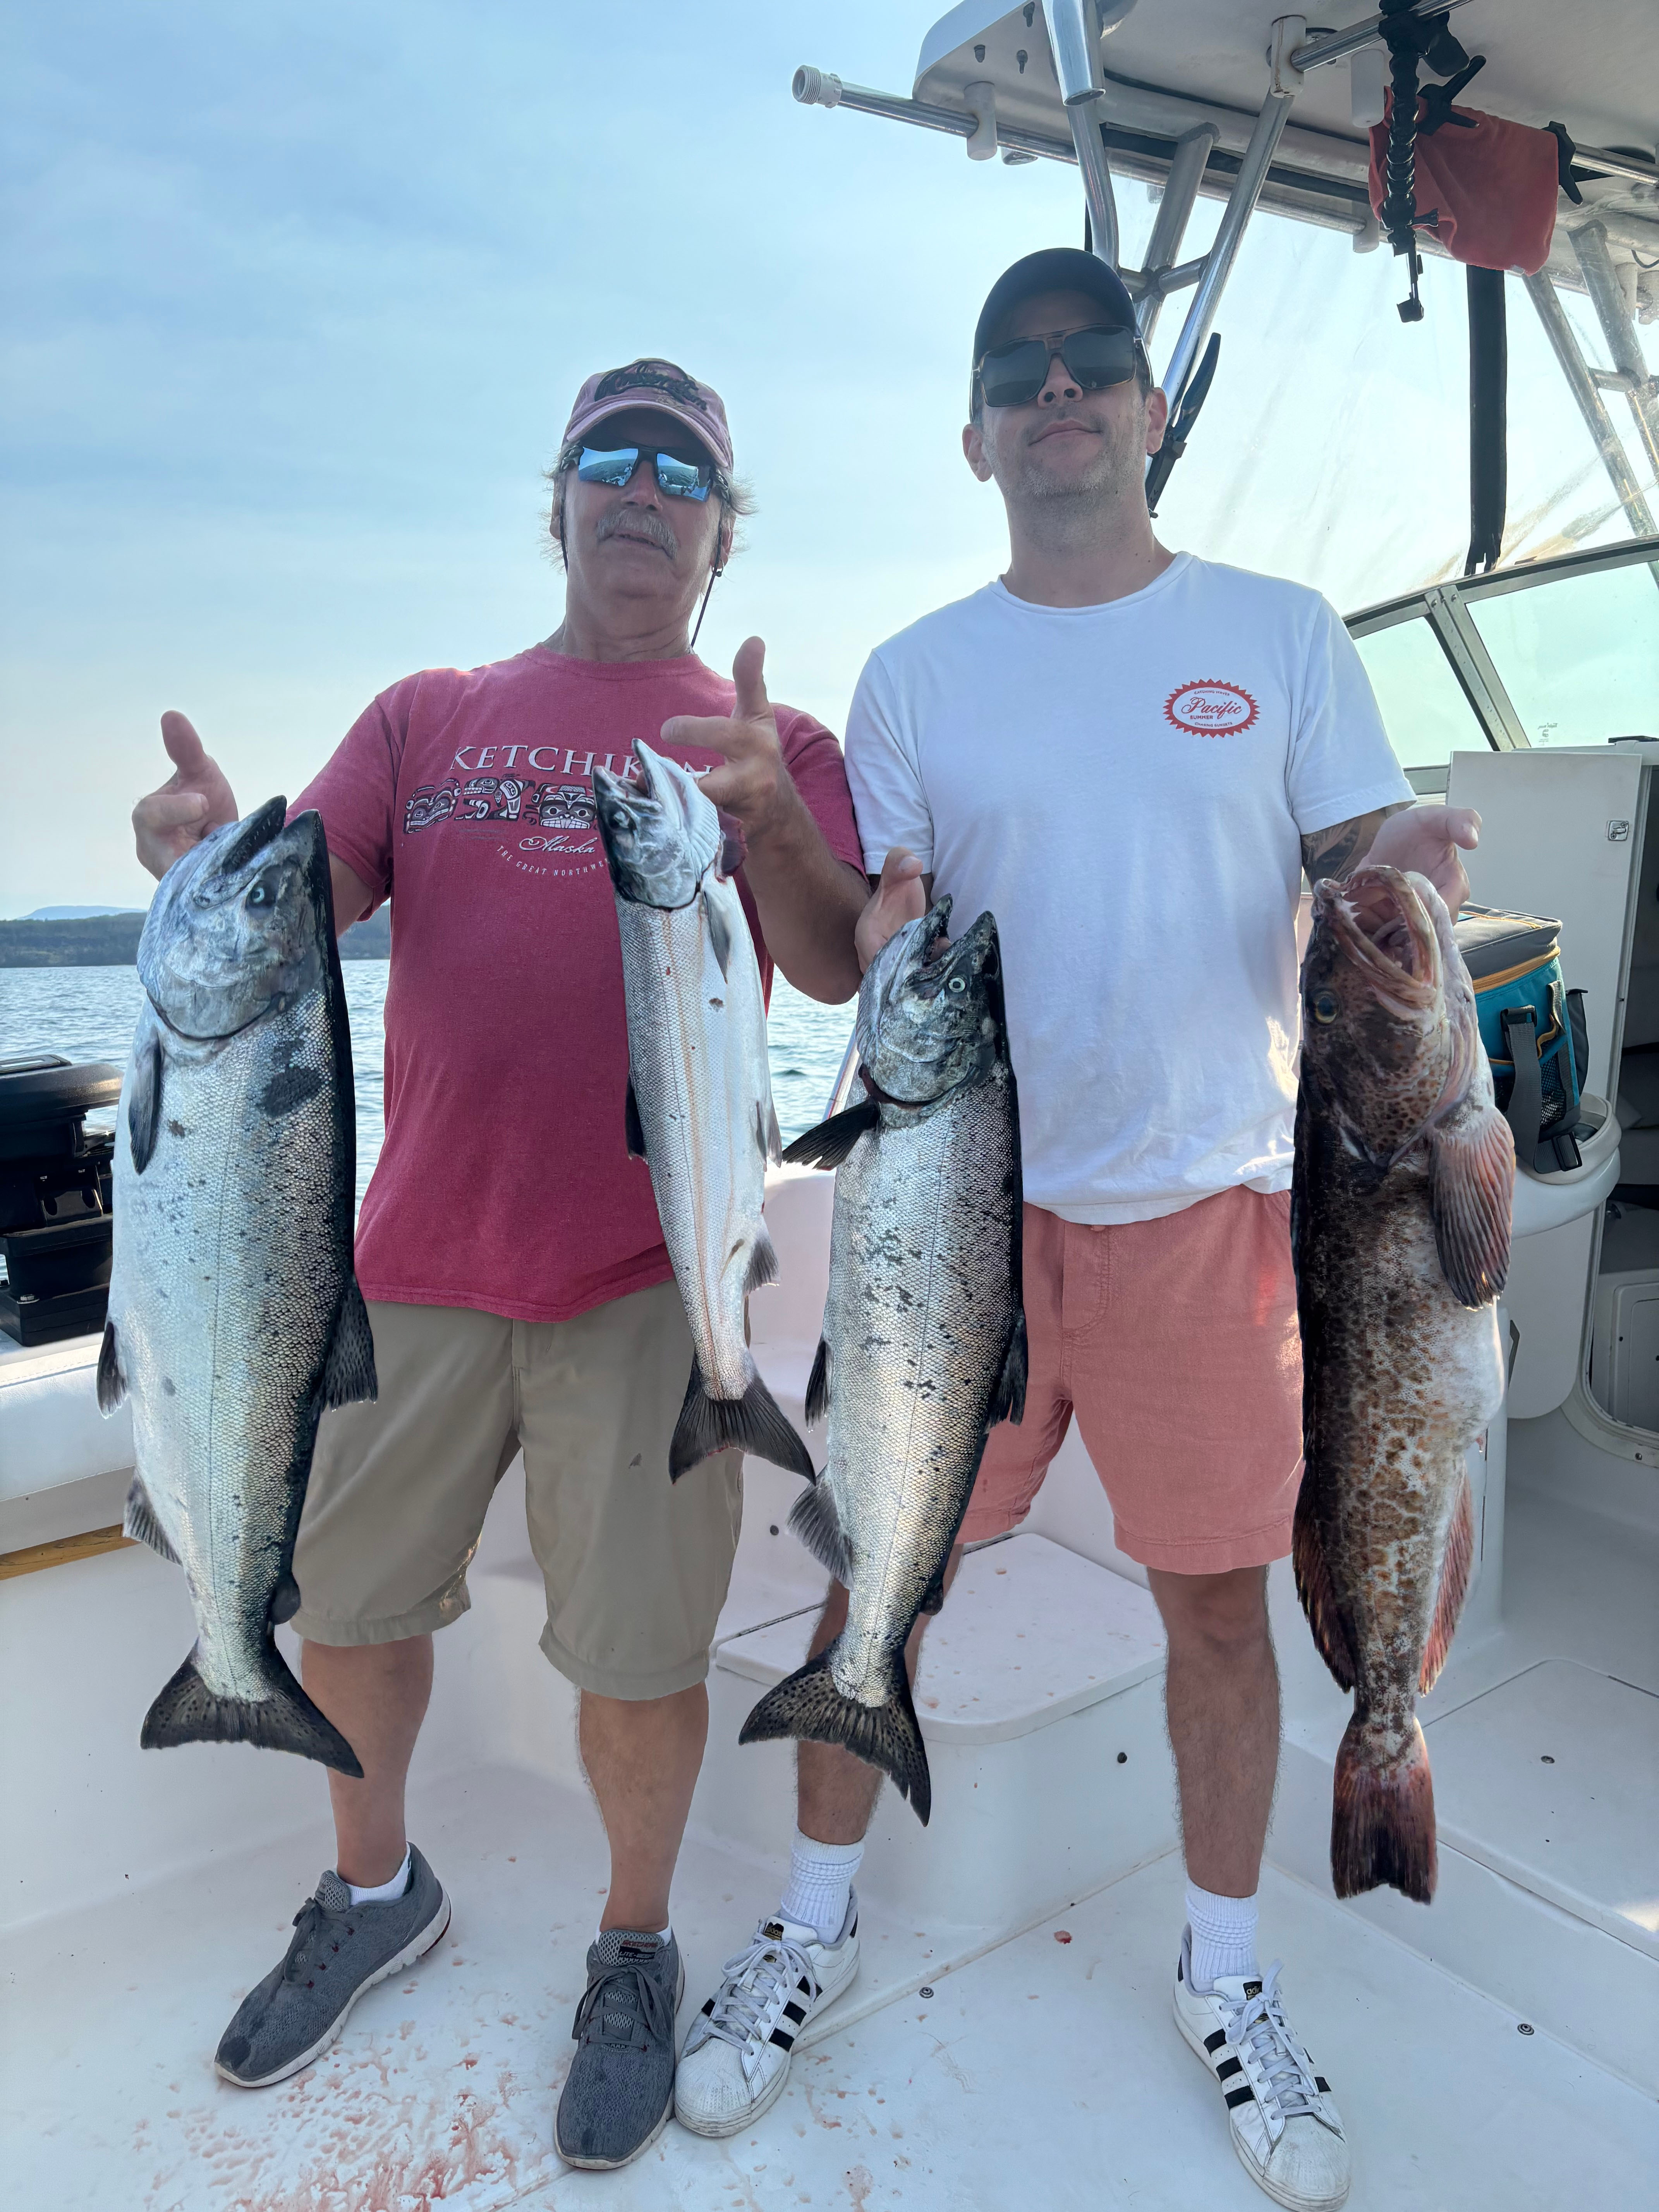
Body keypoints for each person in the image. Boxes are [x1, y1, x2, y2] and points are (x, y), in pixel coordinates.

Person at [681, 252, 1476, 2210]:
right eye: (1020, 370)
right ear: (974, 434)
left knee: (1220, 1608)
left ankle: (1227, 1970)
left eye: (1095, 363)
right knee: (891, 1582)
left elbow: (1360, 871)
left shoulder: (1279, 636)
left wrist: (1412, 874)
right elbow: (877, 926)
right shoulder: (916, 675)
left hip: (1220, 1212)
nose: (1060, 392)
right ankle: (812, 1921)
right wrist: (838, 902)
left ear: (1147, 408)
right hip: (962, 1214)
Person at [130, 357, 879, 2172]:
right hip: (402, 1264)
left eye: (682, 468)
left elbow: (842, 969)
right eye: (608, 459)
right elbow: (297, 901)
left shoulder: (775, 745)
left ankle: (633, 1946)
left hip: (651, 1280)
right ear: (556, 502)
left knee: (637, 1652)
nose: (642, 487)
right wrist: (204, 847)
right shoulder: (428, 714)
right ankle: (373, 1891)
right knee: (350, 1603)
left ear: (721, 530)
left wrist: (773, 817)